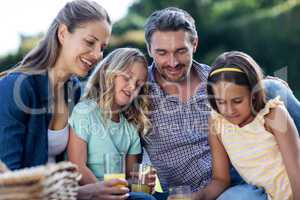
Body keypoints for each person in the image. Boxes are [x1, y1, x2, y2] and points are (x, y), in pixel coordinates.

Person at [142, 7, 300, 200]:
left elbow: (251, 91)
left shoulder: (217, 80)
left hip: (238, 176)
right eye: (162, 53)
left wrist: (264, 85)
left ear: (195, 44)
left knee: (272, 88)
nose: (173, 62)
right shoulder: (137, 90)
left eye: (181, 51)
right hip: (188, 192)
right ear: (149, 49)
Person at [0, 0, 136, 199]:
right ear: (63, 33)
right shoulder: (15, 88)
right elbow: (10, 187)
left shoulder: (73, 91)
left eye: (102, 47)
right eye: (90, 42)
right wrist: (82, 193)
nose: (98, 55)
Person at [205, 51, 300, 200]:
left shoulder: (272, 115)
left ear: (254, 93)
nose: (229, 110)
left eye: (237, 101)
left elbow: (297, 173)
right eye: (221, 102)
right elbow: (221, 180)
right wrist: (196, 196)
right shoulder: (217, 123)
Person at [67, 47, 156, 200]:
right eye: (127, 78)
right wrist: (105, 192)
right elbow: (77, 167)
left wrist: (143, 183)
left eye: (139, 84)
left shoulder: (130, 127)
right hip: (89, 194)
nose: (132, 87)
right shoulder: (84, 112)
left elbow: (129, 178)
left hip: (117, 195)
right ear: (109, 73)